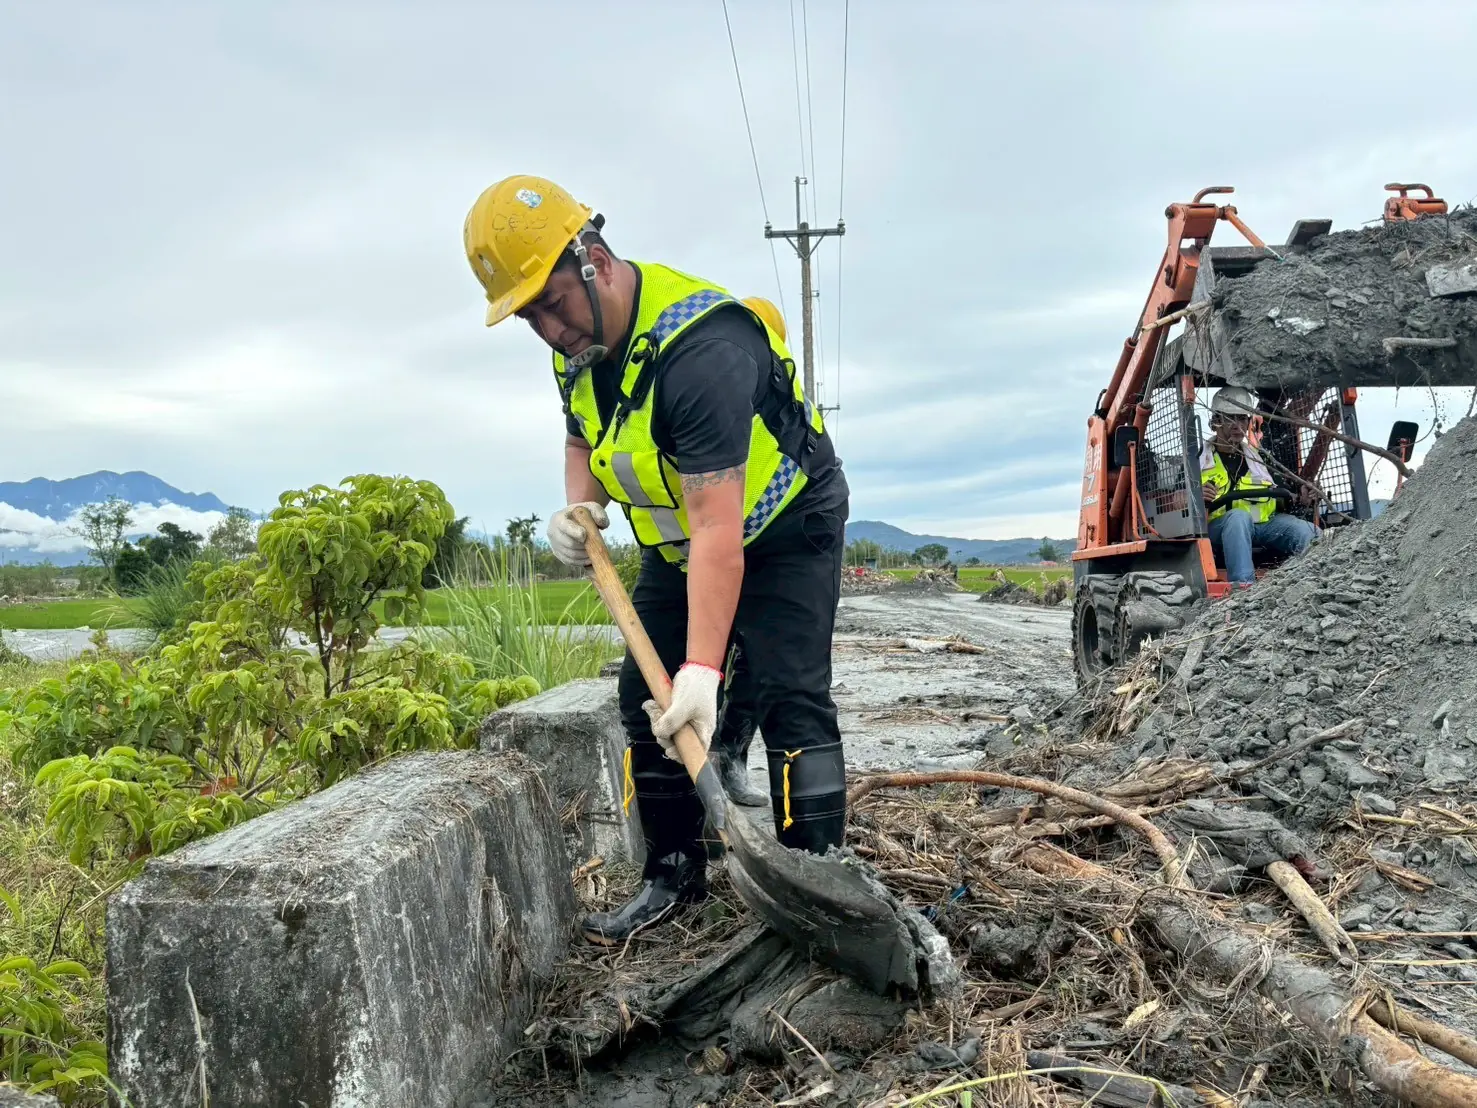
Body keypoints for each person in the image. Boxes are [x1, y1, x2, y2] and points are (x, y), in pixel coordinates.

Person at [463, 176, 851, 944]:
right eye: (528, 315)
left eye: (551, 301)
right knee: (645, 701)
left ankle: (823, 889)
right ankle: (672, 875)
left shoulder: (701, 351)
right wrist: (582, 505)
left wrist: (704, 671)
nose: (547, 328)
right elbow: (582, 434)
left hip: (784, 524)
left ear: (594, 260)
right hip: (680, 545)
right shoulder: (577, 348)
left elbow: (720, 530)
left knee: (789, 700)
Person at [709, 296, 793, 810]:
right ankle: (695, 786)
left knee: (761, 667)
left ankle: (730, 756)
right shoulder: (708, 381)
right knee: (703, 664)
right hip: (705, 552)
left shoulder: (780, 408)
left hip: (768, 554)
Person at [1200, 387, 1315, 585]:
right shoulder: (1197, 461)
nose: (1237, 425)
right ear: (1215, 422)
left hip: (1264, 525)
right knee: (1238, 517)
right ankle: (1244, 588)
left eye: (1242, 418)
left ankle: (1315, 582)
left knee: (1306, 531)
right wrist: (1193, 495)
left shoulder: (1260, 460)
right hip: (1218, 528)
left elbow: (1283, 496)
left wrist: (1302, 498)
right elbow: (1175, 499)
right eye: (1230, 418)